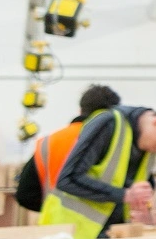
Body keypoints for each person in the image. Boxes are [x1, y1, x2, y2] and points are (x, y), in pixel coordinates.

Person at [40, 104, 156, 239]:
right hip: (69, 234)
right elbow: (68, 178)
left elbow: (134, 185)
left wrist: (145, 206)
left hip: (110, 235)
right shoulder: (109, 125)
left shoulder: (148, 147)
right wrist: (125, 195)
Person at [15, 84, 122, 212]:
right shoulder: (119, 145)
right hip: (104, 228)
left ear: (81, 110)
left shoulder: (49, 142)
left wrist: (53, 209)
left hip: (57, 228)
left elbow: (25, 195)